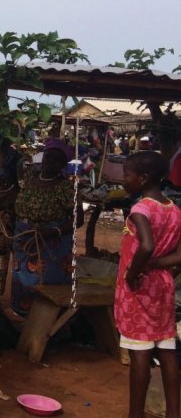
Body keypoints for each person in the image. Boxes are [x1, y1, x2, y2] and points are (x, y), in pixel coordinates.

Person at [114, 151, 181, 418]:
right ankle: (174, 412)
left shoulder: (140, 209)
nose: (123, 180)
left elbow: (147, 246)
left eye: (126, 175)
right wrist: (158, 267)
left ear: (142, 179)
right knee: (166, 350)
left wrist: (134, 274)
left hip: (139, 288)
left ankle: (135, 414)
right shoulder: (174, 210)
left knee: (139, 350)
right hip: (163, 288)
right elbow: (178, 255)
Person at [10, 139, 81, 316]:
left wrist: (55, 231)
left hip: (51, 242)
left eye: (57, 160)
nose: (51, 162)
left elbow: (77, 219)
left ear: (63, 165)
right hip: (24, 237)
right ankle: (21, 315)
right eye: (49, 156)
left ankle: (47, 318)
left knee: (47, 281)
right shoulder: (29, 178)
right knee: (22, 277)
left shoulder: (66, 188)